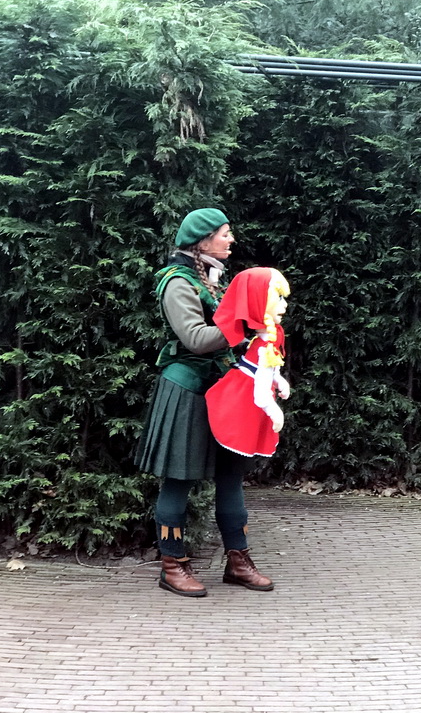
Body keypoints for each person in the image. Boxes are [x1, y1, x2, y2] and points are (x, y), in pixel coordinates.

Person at [135, 208, 274, 597]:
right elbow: (196, 339)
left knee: (231, 477)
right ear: (202, 239)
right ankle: (172, 565)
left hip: (224, 391)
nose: (231, 240)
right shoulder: (177, 282)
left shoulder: (212, 279)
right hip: (186, 391)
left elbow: (231, 335)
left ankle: (238, 561)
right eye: (224, 234)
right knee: (178, 480)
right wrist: (246, 326)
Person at [205, 267, 291, 459]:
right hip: (241, 403)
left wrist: (278, 381)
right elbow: (260, 392)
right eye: (278, 298)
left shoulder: (269, 338)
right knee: (234, 466)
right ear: (259, 302)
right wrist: (274, 411)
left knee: (234, 470)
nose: (284, 305)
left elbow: (267, 371)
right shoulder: (264, 345)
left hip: (243, 396)